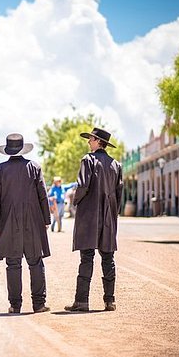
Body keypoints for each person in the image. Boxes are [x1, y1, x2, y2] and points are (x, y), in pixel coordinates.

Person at [0, 133, 51, 314]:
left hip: (8, 220)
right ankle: (39, 304)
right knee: (35, 261)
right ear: (22, 149)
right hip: (33, 219)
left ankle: (15, 305)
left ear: (8, 150)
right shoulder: (34, 167)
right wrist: (46, 220)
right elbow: (43, 196)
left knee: (13, 263)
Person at [66, 127, 123, 312]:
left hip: (89, 214)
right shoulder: (116, 165)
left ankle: (82, 301)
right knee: (108, 258)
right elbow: (119, 192)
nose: (88, 141)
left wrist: (76, 202)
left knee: (87, 257)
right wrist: (114, 213)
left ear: (98, 141)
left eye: (91, 139)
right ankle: (110, 301)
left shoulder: (88, 160)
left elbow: (82, 186)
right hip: (108, 215)